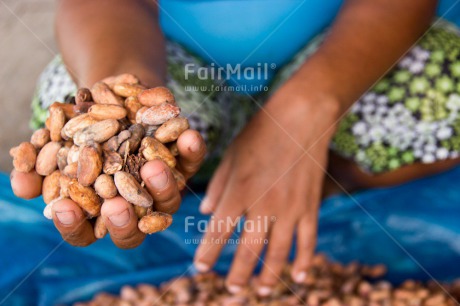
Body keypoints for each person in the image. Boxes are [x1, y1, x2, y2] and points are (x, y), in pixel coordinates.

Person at [9, 0, 460, 297]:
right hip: (174, 67)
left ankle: (323, 184)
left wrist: (302, 113)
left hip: (337, 60)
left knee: (447, 84)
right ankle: (195, 185)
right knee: (70, 96)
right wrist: (123, 89)